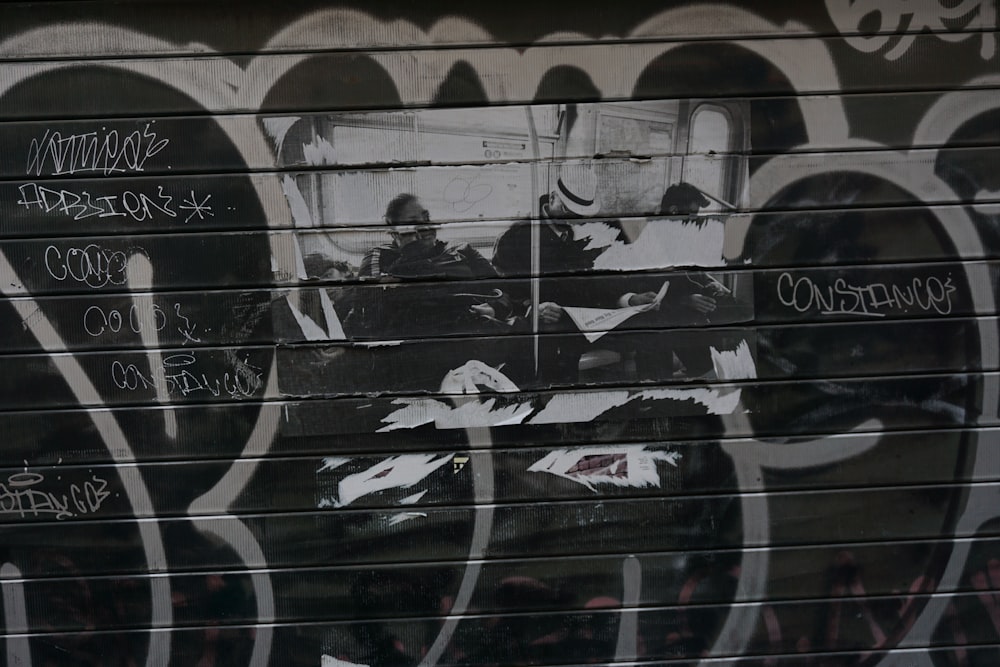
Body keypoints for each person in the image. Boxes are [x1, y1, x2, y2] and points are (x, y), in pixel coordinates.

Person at [492, 166, 661, 385]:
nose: (574, 220)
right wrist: (532, 306)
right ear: (552, 197)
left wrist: (628, 299)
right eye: (568, 211)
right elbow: (500, 291)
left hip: (580, 319)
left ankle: (651, 394)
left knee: (650, 320)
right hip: (546, 322)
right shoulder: (516, 238)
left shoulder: (579, 234)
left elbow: (592, 285)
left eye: (579, 216)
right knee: (552, 337)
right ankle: (554, 404)